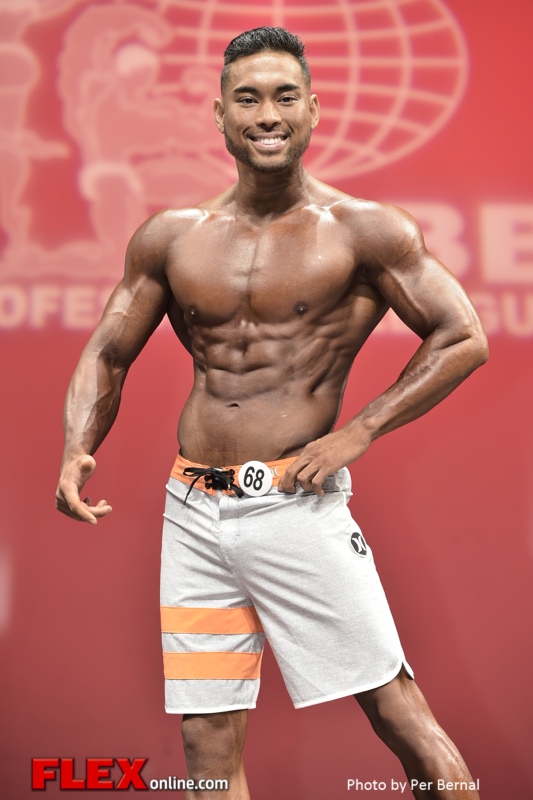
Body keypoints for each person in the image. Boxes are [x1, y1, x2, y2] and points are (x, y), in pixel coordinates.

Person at [56, 26, 487, 800]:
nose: (266, 115)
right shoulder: (171, 237)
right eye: (247, 99)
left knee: (398, 715)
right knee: (205, 737)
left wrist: (358, 431)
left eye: (284, 97)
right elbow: (108, 351)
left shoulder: (364, 230)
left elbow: (462, 336)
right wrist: (76, 447)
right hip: (193, 510)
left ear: (312, 109)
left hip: (293, 504)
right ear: (219, 114)